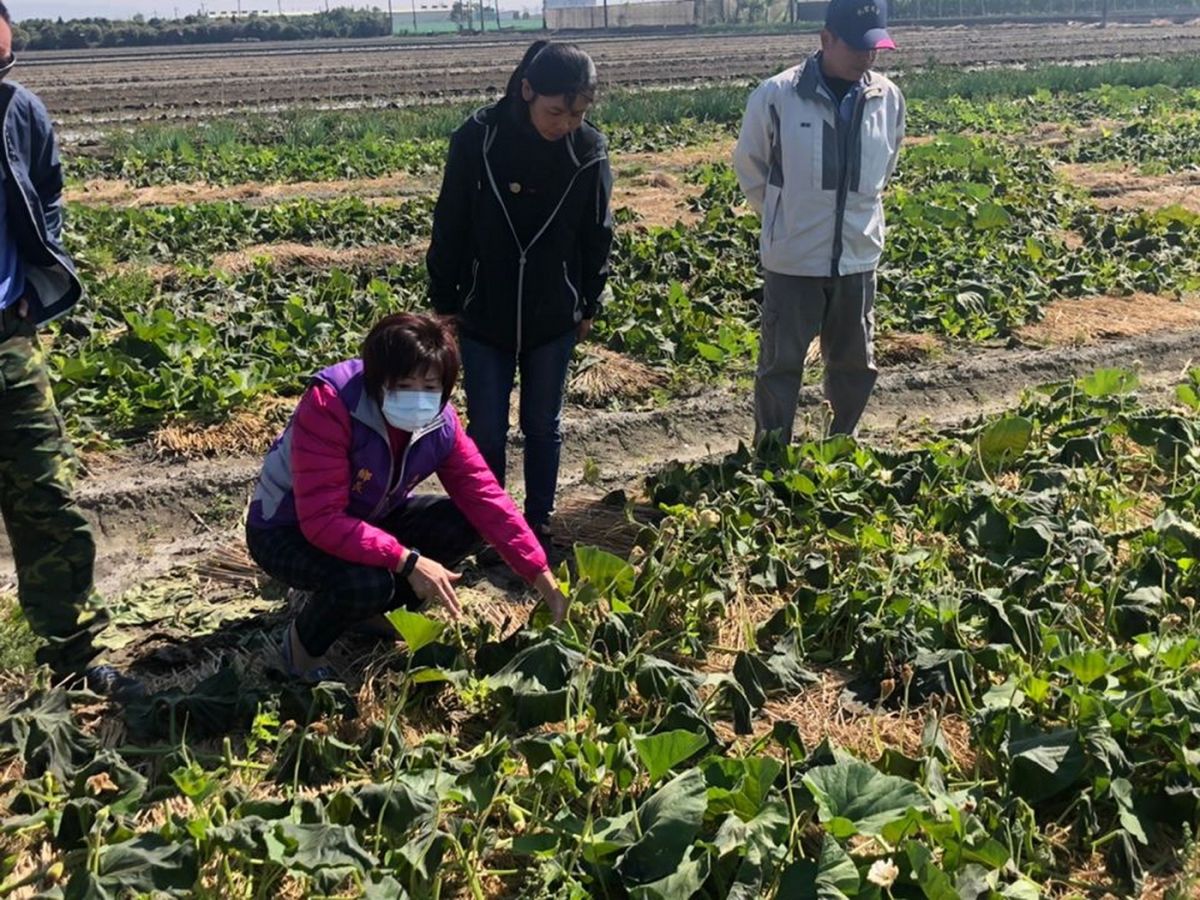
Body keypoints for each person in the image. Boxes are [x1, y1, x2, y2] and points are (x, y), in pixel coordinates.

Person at [245, 313, 569, 683]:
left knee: (464, 522)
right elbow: (322, 520)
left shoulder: (440, 422)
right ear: (377, 379)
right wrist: (409, 561)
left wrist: (543, 579)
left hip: (370, 516)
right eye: (404, 384)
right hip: (288, 529)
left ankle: (368, 617)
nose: (418, 397)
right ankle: (301, 648)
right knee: (368, 582)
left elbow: (486, 497)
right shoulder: (330, 404)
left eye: (430, 386)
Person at [0, 4, 141, 699]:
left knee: (46, 496)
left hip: (6, 338)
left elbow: (48, 190)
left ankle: (74, 652)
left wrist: (35, 278)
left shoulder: (20, 111)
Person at [427, 40, 614, 548]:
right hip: (483, 311)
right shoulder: (478, 139)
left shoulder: (588, 150)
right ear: (527, 90)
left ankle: (538, 522)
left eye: (579, 113)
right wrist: (444, 302)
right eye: (557, 111)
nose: (567, 124)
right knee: (486, 428)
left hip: (553, 311)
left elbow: (597, 234)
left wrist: (588, 302)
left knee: (542, 424)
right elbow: (451, 223)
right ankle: (490, 525)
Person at [733, 0, 905, 442]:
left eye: (875, 48)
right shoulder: (777, 96)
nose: (867, 57)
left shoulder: (887, 98)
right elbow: (752, 169)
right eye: (856, 47)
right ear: (826, 39)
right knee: (781, 365)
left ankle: (838, 447)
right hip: (793, 260)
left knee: (854, 363)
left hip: (857, 258)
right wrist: (785, 219)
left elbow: (885, 168)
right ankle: (771, 454)